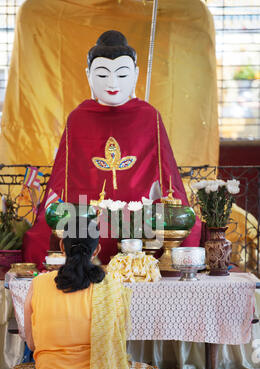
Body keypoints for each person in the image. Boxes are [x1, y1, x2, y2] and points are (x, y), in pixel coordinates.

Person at [23, 30, 201, 269]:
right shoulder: (78, 118)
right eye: (103, 74)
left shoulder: (149, 117)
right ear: (88, 75)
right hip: (86, 215)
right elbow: (61, 179)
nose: (112, 83)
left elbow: (168, 178)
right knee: (42, 234)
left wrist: (170, 204)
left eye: (122, 74)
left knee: (187, 226)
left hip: (140, 215)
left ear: (136, 74)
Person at [6, 217, 189, 369]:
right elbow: (116, 346)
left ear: (61, 246)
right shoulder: (112, 287)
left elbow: (32, 345)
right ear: (97, 250)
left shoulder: (38, 283)